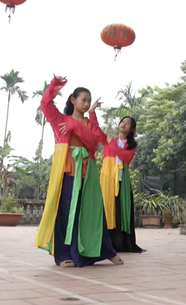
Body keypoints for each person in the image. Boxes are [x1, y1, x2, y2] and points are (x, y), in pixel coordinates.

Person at [34, 75, 122, 267]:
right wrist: (54, 85)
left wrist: (76, 126)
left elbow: (92, 143)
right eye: (83, 100)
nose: (86, 103)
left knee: (93, 212)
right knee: (66, 212)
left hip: (88, 173)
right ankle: (64, 254)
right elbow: (45, 104)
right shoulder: (59, 120)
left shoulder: (89, 123)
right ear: (73, 100)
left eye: (88, 101)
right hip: (68, 173)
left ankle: (104, 250)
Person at [96, 116, 144, 253]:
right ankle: (106, 242)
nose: (123, 124)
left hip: (122, 181)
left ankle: (124, 244)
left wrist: (111, 144)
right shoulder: (109, 139)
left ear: (132, 129)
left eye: (127, 123)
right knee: (107, 209)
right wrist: (92, 112)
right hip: (108, 180)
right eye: (122, 122)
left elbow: (124, 156)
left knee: (122, 211)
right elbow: (96, 130)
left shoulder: (132, 145)